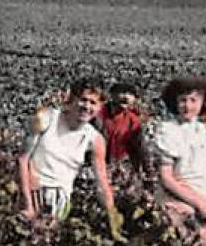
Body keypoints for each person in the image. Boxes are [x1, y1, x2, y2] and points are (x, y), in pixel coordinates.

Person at [18, 77, 120, 235]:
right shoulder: (46, 119)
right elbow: (23, 160)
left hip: (61, 200)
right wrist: (27, 205)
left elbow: (102, 182)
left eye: (93, 103)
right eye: (83, 100)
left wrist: (113, 217)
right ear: (71, 100)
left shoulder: (95, 139)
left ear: (100, 108)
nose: (87, 106)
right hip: (32, 192)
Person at [151, 75, 206, 245]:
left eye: (193, 100)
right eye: (182, 100)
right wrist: (199, 203)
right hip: (181, 202)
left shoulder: (205, 130)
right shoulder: (168, 131)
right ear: (174, 102)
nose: (188, 106)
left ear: (202, 103)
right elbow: (167, 178)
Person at [101, 82, 147, 169]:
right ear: (112, 95)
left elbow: (139, 147)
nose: (126, 97)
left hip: (119, 165)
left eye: (130, 94)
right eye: (122, 92)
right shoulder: (98, 114)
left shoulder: (133, 120)